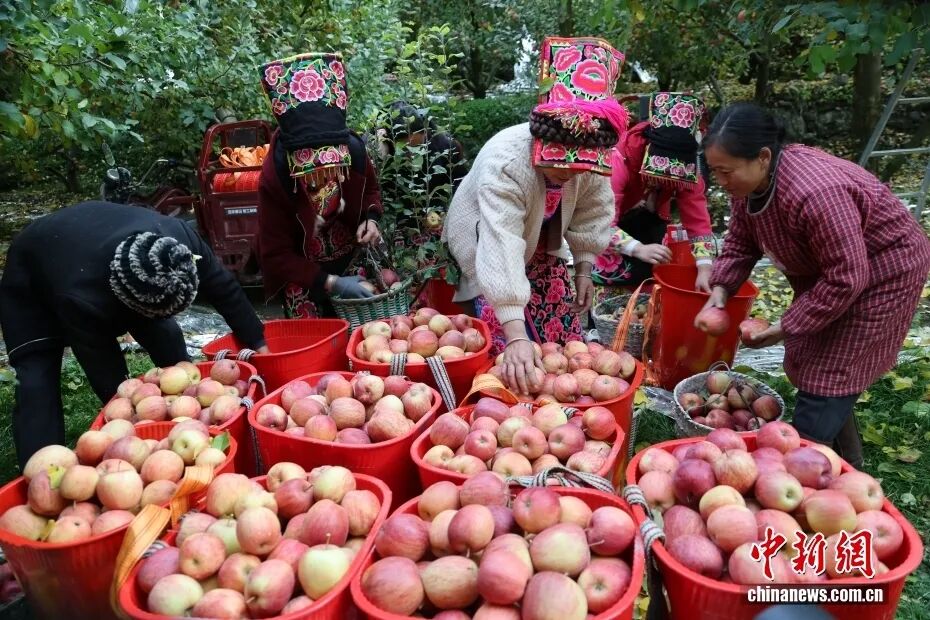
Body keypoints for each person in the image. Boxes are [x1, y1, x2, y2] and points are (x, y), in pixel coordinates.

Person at [699, 102, 930, 468]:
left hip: (885, 270)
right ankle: (850, 460)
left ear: (762, 156)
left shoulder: (816, 192)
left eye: (726, 172)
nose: (722, 182)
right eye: (716, 173)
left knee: (834, 366)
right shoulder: (751, 186)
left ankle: (802, 462)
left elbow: (847, 278)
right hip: (834, 271)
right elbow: (741, 242)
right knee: (811, 355)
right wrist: (720, 291)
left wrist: (783, 327)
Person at [0, 201, 268, 468]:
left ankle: (190, 414)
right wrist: (130, 416)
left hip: (97, 250)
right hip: (33, 276)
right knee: (37, 381)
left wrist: (259, 343)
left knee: (166, 333)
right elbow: (101, 363)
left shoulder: (179, 243)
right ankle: (38, 475)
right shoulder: (81, 297)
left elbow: (225, 290)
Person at [444, 36, 628, 395]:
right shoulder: (508, 163)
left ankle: (561, 402)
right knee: (511, 353)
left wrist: (585, 267)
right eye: (562, 167)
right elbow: (500, 243)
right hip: (489, 244)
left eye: (580, 168)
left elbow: (594, 209)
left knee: (561, 336)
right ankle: (512, 410)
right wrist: (515, 333)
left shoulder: (590, 160)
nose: (572, 173)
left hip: (541, 241)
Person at [257, 51, 384, 318]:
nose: (325, 179)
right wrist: (331, 283)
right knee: (313, 338)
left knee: (365, 333)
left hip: (350, 258)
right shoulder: (275, 178)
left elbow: (370, 191)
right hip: (302, 272)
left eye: (332, 170)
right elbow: (275, 255)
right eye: (313, 173)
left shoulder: (355, 152)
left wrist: (370, 219)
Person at [592, 92, 716, 297]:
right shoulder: (618, 158)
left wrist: (705, 266)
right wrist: (637, 248)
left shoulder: (687, 165)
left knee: (650, 295)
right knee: (612, 304)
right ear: (649, 148)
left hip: (651, 223)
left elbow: (697, 218)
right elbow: (600, 221)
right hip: (611, 229)